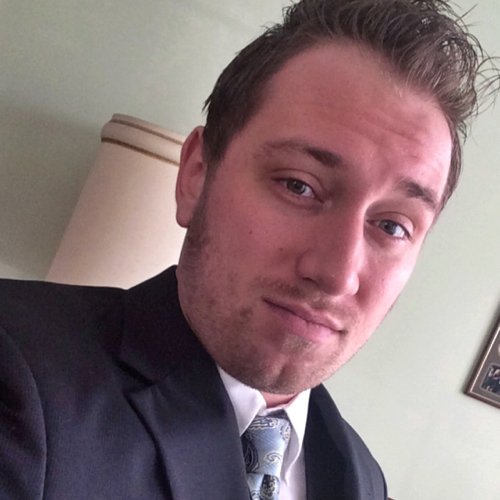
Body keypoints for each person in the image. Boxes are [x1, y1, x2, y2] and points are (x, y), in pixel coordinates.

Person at [0, 0, 494, 499]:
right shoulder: (19, 374)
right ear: (196, 175)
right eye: (299, 186)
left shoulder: (365, 479)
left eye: (391, 226)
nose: (337, 273)